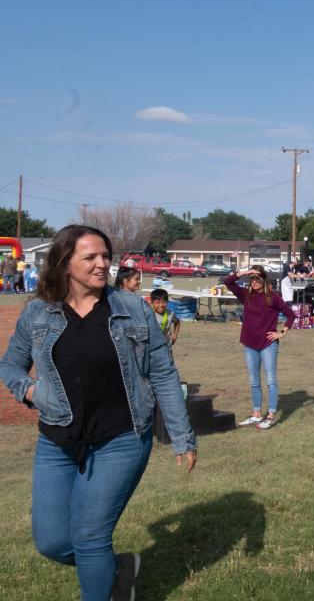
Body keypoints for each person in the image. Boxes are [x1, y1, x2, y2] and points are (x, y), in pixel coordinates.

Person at [0, 225, 196, 601]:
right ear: (64, 262)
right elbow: (10, 366)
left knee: (90, 537)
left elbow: (163, 373)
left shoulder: (133, 308)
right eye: (90, 257)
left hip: (120, 439)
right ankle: (118, 568)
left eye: (105, 256)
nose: (102, 264)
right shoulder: (38, 313)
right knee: (52, 542)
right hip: (57, 442)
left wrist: (181, 436)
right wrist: (29, 391)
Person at [224, 266, 297, 430]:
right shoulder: (246, 295)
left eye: (258, 278)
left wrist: (282, 333)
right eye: (252, 279)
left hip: (268, 344)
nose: (255, 281)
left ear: (264, 280)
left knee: (271, 380)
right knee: (254, 381)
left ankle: (270, 415)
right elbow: (227, 282)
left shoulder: (273, 297)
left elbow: (291, 315)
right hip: (250, 344)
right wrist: (243, 273)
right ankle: (256, 414)